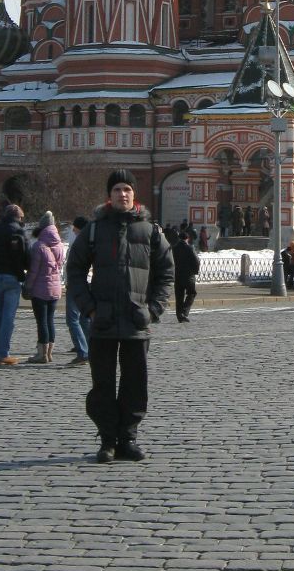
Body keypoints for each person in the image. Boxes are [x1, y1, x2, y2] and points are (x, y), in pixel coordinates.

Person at [66, 168, 174, 463]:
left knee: (135, 382)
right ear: (109, 195)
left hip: (137, 321)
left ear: (133, 194)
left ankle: (128, 437)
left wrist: (153, 309)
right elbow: (74, 270)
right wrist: (88, 307)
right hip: (102, 320)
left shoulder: (150, 231)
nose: (122, 194)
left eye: (127, 189)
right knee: (102, 383)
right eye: (117, 190)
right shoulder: (94, 230)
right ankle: (107, 440)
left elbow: (166, 273)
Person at [0, 204, 31, 366]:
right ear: (19, 217)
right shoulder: (18, 231)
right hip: (12, 277)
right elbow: (26, 255)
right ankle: (2, 353)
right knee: (8, 317)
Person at [24, 211, 64, 364]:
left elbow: (34, 271)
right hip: (55, 287)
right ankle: (50, 353)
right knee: (50, 320)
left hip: (40, 288)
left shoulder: (39, 246)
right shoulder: (60, 245)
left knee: (41, 321)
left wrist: (28, 286)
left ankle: (41, 354)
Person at [65, 216, 90, 366]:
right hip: (89, 282)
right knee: (84, 318)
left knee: (72, 319)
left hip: (77, 283)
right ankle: (90, 348)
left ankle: (82, 351)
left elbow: (73, 265)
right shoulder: (92, 240)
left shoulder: (78, 242)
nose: (72, 230)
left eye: (75, 227)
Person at [172, 228, 200, 321]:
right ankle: (184, 312)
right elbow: (196, 261)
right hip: (188, 276)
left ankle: (179, 316)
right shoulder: (190, 248)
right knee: (192, 293)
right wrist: (195, 272)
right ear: (187, 239)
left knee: (179, 296)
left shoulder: (174, 249)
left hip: (177, 275)